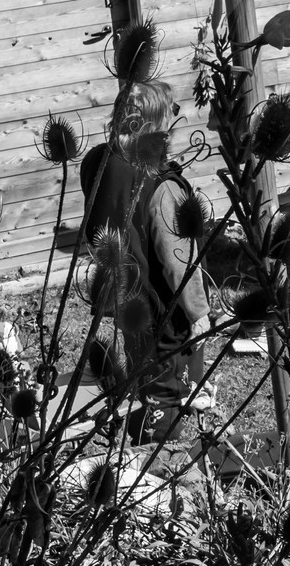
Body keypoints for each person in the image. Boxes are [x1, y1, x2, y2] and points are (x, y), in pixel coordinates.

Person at [80, 79, 212, 422]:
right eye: (174, 112)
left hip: (126, 294)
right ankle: (162, 450)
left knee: (142, 367)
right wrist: (198, 312)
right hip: (162, 304)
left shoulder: (100, 162)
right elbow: (177, 259)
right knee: (165, 388)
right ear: (158, 122)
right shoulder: (161, 185)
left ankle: (144, 425)